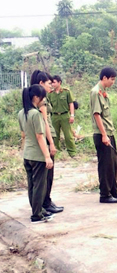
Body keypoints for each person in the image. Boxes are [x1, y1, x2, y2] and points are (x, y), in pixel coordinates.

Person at [18, 84, 54, 223]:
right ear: (36, 97)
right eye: (42, 98)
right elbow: (40, 136)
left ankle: (37, 211)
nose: (43, 101)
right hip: (37, 156)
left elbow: (23, 135)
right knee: (40, 185)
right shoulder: (36, 114)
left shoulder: (21, 113)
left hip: (27, 154)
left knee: (32, 184)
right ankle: (37, 215)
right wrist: (47, 157)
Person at [30, 70, 64, 214]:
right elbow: (44, 123)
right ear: (41, 83)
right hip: (45, 138)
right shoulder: (41, 101)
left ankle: (44, 203)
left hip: (42, 138)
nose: (51, 86)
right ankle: (45, 203)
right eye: (49, 83)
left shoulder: (36, 98)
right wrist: (51, 143)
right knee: (46, 175)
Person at [90, 67, 117, 204]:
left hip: (109, 132)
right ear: (104, 78)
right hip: (102, 134)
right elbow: (97, 114)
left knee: (113, 163)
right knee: (105, 165)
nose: (113, 82)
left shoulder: (104, 92)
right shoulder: (96, 92)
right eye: (112, 79)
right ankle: (105, 194)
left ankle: (114, 191)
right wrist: (103, 135)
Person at [48, 75, 76, 157]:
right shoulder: (50, 94)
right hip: (55, 116)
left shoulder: (66, 92)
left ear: (59, 82)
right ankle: (56, 151)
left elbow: (71, 103)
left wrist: (72, 115)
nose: (52, 84)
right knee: (54, 135)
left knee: (68, 135)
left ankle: (72, 152)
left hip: (65, 115)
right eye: (51, 83)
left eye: (54, 82)